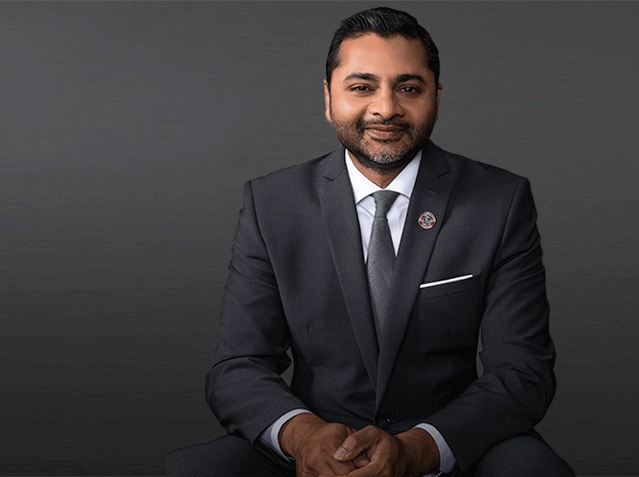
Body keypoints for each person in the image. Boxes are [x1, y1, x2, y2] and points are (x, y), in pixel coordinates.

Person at [167, 7, 575, 477]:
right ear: (328, 98)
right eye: (362, 87)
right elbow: (238, 366)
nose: (386, 108)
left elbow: (523, 372)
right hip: (316, 447)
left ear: (436, 97)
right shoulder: (271, 202)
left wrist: (419, 449)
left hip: (450, 446)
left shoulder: (498, 201)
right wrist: (303, 437)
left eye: (409, 87)